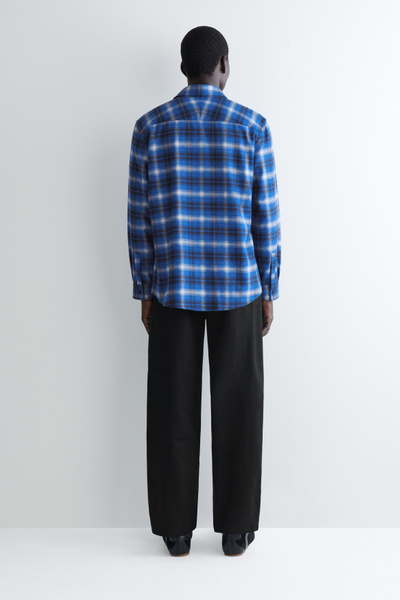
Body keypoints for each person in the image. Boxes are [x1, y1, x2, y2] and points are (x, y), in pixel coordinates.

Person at [127, 25, 281, 557]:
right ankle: (236, 532)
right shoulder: (251, 126)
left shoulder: (150, 127)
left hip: (172, 289)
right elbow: (266, 217)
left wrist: (145, 287)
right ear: (224, 65)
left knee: (172, 409)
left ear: (182, 68)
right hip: (239, 288)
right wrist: (269, 287)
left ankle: (175, 532)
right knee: (240, 409)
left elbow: (139, 219)